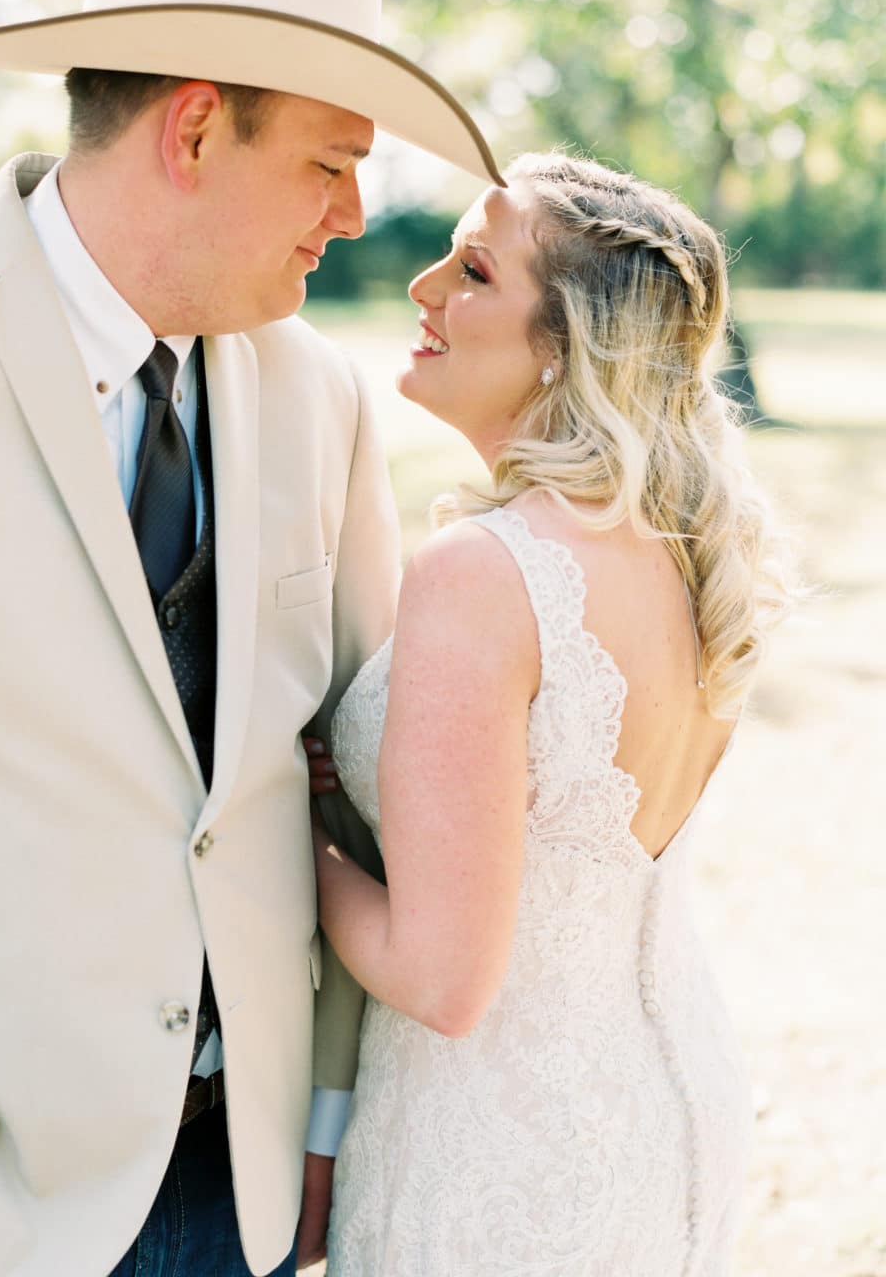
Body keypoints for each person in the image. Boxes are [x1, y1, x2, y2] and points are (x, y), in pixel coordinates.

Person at [0, 0, 502, 1275]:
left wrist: (324, 1120)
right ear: (196, 129)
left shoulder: (317, 396)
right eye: (333, 166)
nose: (351, 217)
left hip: (245, 1200)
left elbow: (356, 783)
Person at [309, 151, 796, 1274]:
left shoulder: (483, 570)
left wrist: (287, 831)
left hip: (497, 1150)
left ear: (566, 344)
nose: (423, 287)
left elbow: (441, 975)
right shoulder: (684, 553)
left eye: (472, 269)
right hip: (665, 1108)